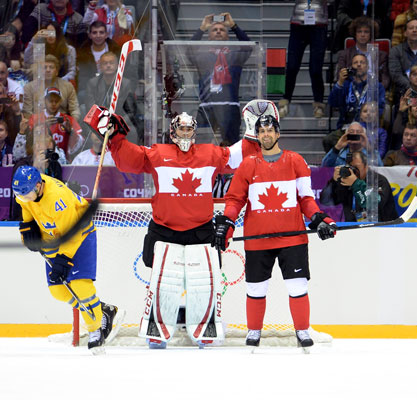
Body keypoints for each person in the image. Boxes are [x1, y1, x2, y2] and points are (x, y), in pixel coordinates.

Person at [86, 107, 259, 348]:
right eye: (181, 128)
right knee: (162, 284)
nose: (185, 133)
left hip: (201, 230)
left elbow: (239, 155)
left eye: (189, 129)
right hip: (164, 229)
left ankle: (204, 331)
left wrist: (253, 132)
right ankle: (157, 332)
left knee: (204, 284)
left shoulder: (210, 154)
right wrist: (114, 135)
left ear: (195, 132)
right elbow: (129, 160)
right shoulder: (158, 153)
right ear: (172, 131)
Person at [216, 114, 337, 348]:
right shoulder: (248, 165)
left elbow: (306, 199)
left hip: (292, 239)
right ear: (257, 135)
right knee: (255, 288)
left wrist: (319, 220)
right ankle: (254, 332)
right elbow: (234, 200)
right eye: (261, 132)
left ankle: (302, 330)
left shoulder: (295, 161)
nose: (266, 135)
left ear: (278, 133)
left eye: (270, 130)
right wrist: (227, 222)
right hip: (257, 240)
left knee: (297, 286)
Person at [12, 165, 121, 354]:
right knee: (58, 291)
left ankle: (96, 330)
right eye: (21, 194)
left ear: (38, 186)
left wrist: (63, 259)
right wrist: (27, 226)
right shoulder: (25, 191)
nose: (24, 197)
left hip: (80, 234)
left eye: (27, 193)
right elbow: (25, 205)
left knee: (80, 286)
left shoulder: (57, 199)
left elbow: (72, 232)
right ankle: (102, 309)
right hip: (53, 236)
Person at [190, 12, 252, 145]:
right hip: (207, 106)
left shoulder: (235, 55)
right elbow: (188, 51)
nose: (218, 31)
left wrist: (233, 26)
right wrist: (202, 28)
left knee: (232, 146)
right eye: (214, 30)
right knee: (201, 146)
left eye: (222, 29)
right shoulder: (202, 56)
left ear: (228, 36)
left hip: (229, 106)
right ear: (208, 36)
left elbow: (248, 46)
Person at [277, 0, 328, 119]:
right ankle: (285, 100)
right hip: (298, 23)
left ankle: (318, 104)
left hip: (319, 24)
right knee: (292, 66)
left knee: (316, 69)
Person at [320, 150, 398, 222]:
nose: (354, 171)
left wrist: (355, 183)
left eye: (356, 168)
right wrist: (333, 181)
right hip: (354, 228)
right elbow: (325, 200)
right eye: (351, 167)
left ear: (366, 166)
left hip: (383, 227)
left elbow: (375, 205)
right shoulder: (346, 181)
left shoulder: (378, 181)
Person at [328, 53, 386, 130]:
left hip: (368, 128)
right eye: (355, 63)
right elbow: (333, 103)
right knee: (329, 140)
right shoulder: (346, 85)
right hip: (346, 128)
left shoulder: (377, 86)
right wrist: (340, 82)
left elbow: (380, 109)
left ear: (368, 67)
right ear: (351, 67)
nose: (359, 65)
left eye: (362, 62)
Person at [335, 16, 390, 91]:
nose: (362, 35)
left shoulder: (382, 56)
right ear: (355, 34)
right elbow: (340, 77)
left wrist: (377, 91)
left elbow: (385, 79)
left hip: (375, 93)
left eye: (366, 32)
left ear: (371, 34)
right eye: (359, 31)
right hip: (351, 93)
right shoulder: (344, 54)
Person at [23, 54, 80, 121]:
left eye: (51, 67)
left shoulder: (67, 86)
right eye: (45, 67)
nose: (48, 70)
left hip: (62, 124)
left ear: (57, 72)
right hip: (39, 124)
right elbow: (27, 112)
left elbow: (74, 109)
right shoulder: (29, 88)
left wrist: (72, 123)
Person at [76, 21, 121, 94]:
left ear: (106, 35)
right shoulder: (83, 52)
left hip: (113, 87)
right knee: (81, 94)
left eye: (101, 32)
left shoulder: (115, 50)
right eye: (94, 33)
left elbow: (123, 72)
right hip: (91, 89)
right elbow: (83, 77)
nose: (98, 35)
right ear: (90, 35)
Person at [21, 0, 87, 49]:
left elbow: (82, 47)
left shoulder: (78, 19)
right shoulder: (41, 9)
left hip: (65, 58)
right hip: (41, 55)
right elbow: (26, 34)